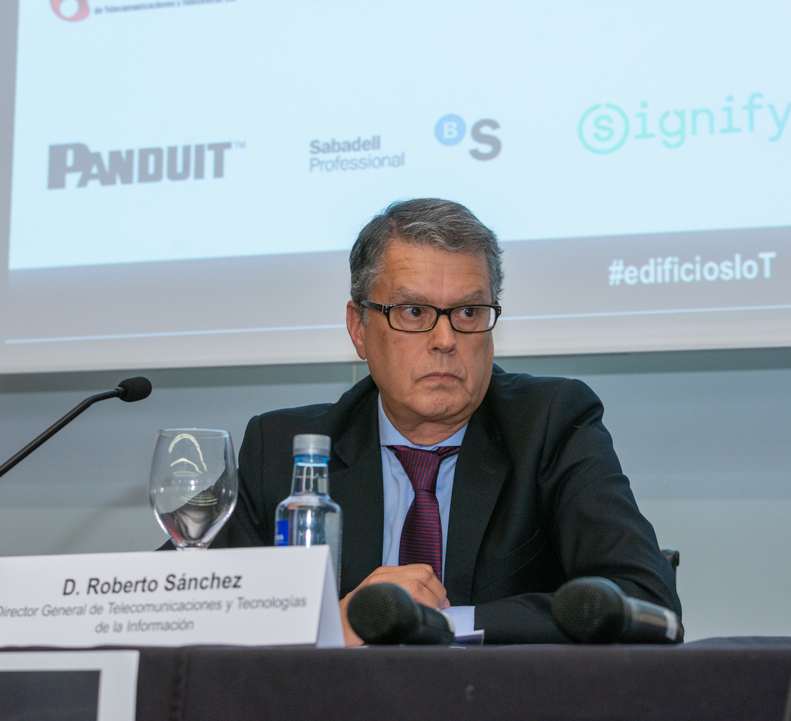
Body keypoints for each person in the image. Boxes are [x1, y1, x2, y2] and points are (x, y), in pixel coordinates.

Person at [212, 198, 680, 644]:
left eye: (468, 312)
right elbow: (192, 606)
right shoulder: (279, 449)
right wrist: (327, 627)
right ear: (359, 328)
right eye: (414, 312)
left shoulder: (550, 424)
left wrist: (436, 624)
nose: (445, 339)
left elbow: (645, 599)